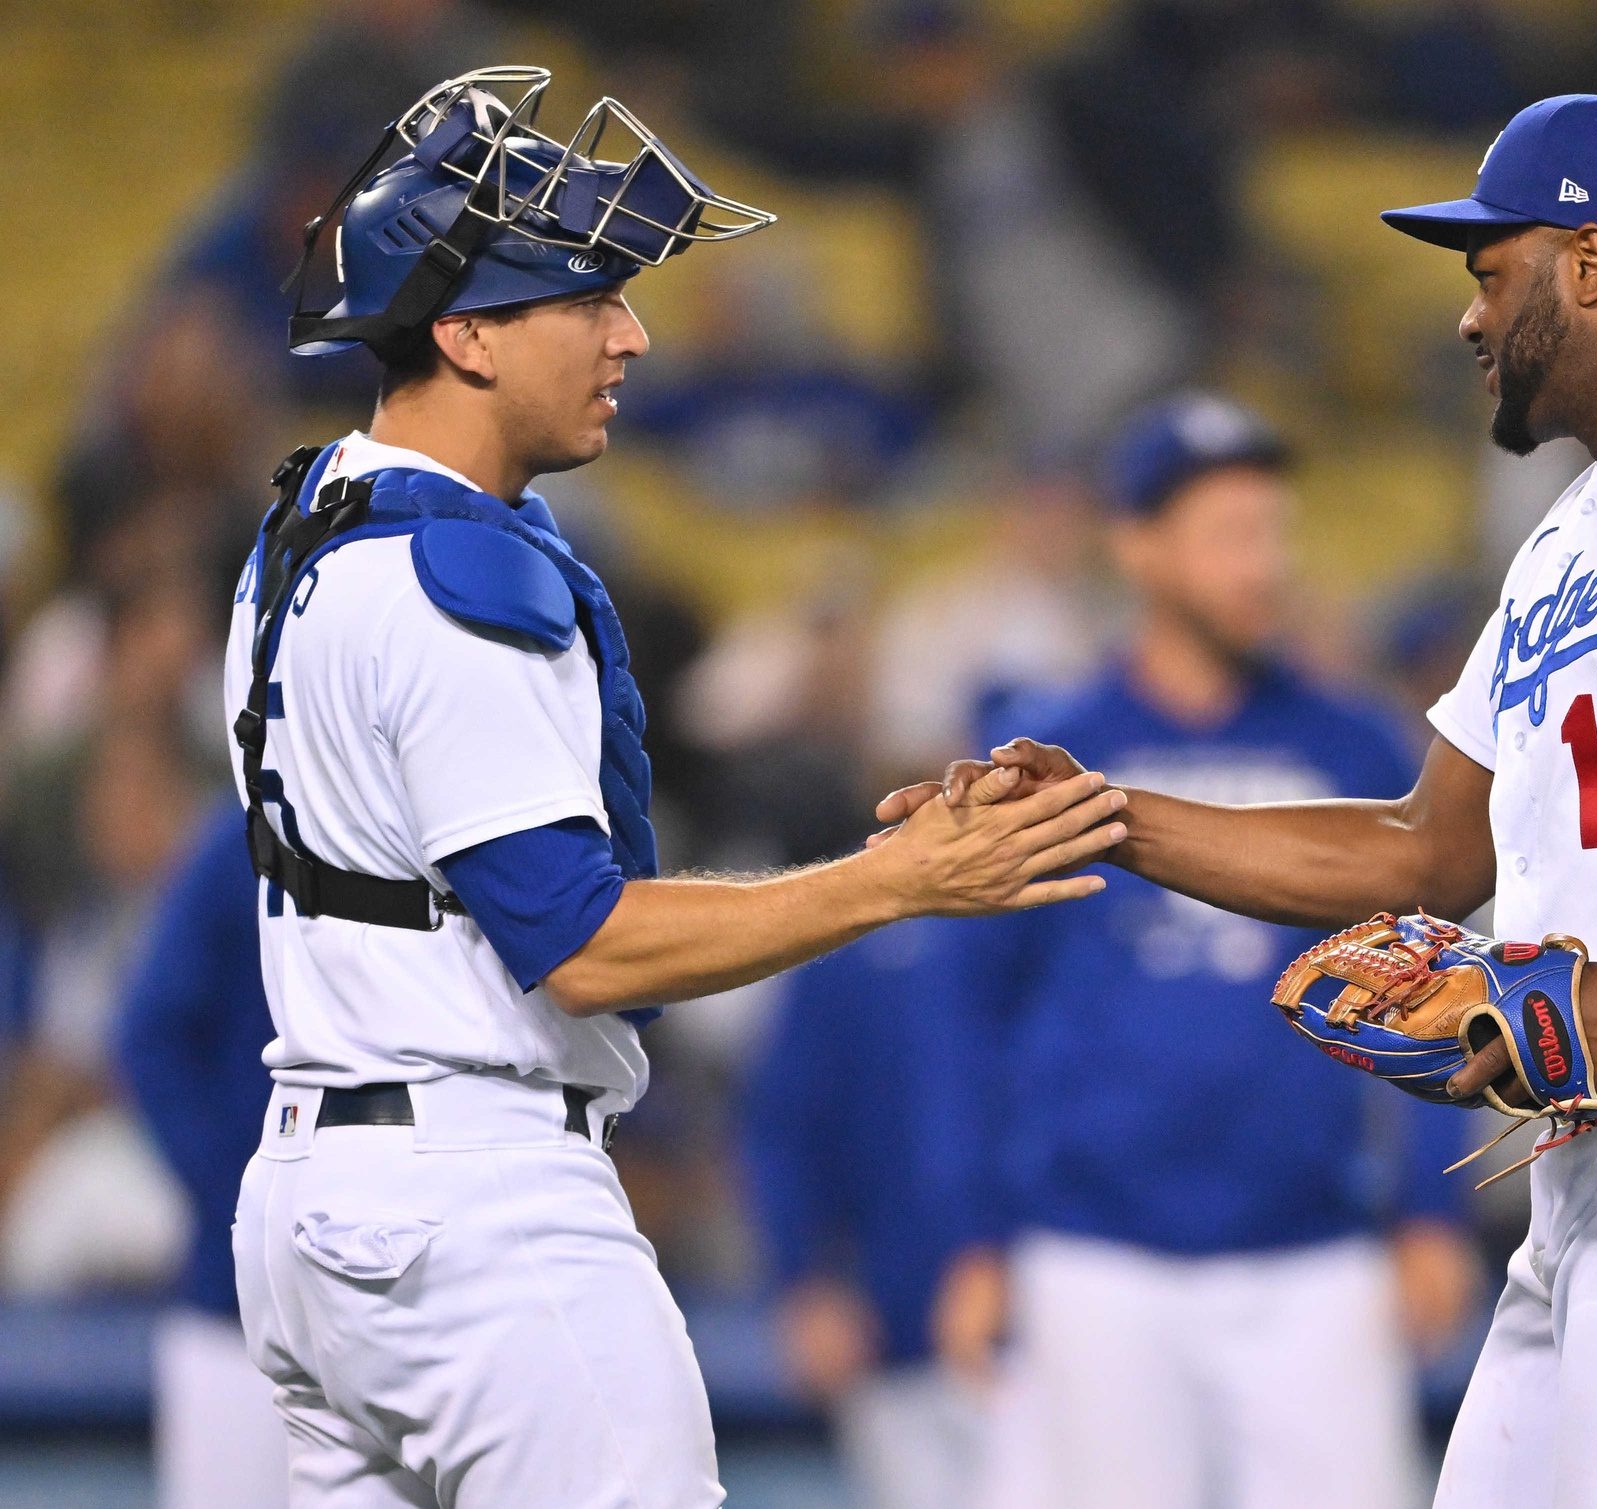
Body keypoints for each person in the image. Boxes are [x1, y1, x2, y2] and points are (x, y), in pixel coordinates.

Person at [880, 93, 1597, 1509]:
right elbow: (1422, 846)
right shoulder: (1565, 542)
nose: (1471, 319)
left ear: (1589, 261)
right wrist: (1106, 814)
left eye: (1491, 270)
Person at [226, 67, 1126, 1508]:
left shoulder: (308, 525)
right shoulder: (460, 573)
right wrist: (892, 879)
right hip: (478, 1219)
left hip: (319, 1221)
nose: (631, 335)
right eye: (585, 299)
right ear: (463, 334)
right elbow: (581, 946)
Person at [924, 393, 1483, 1509]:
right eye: (1228, 535)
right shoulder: (1052, 752)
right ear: (1136, 547)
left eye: (1272, 532)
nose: (1262, 565)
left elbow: (1433, 992)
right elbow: (967, 1015)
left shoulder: (1355, 741)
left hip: (1315, 1245)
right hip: (1093, 1250)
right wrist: (973, 1237)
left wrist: (1430, 1212)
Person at [740, 918, 992, 1509]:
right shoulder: (857, 920)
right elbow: (786, 1123)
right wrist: (805, 1281)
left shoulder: (1076, 904)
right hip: (894, 1319)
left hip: (1063, 1304)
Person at [114, 809, 286, 1509]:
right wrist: (240, 1199)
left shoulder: (452, 821)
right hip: (234, 1315)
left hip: (407, 1298)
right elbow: (148, 1034)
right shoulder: (244, 840)